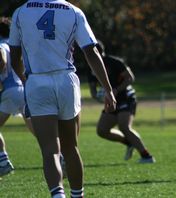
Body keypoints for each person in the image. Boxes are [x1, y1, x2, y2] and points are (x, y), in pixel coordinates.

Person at [9, 1, 116, 198]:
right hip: (66, 80)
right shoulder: (73, 11)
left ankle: (58, 195)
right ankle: (77, 195)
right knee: (71, 147)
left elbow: (14, 56)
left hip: (37, 81)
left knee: (50, 150)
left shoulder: (21, 12)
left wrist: (25, 80)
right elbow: (91, 51)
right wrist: (108, 89)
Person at [88, 41, 155, 163]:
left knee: (124, 127)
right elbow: (93, 88)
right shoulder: (93, 67)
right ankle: (129, 142)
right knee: (102, 130)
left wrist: (116, 90)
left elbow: (130, 77)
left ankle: (147, 156)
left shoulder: (114, 62)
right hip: (112, 100)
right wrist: (97, 96)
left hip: (125, 97)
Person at [0, 17, 34, 177]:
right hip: (24, 88)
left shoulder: (1, 45)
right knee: (37, 129)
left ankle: (3, 160)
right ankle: (60, 155)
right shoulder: (16, 45)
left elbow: (2, 60)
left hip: (11, 90)